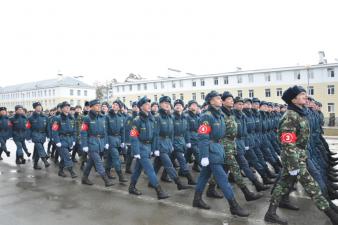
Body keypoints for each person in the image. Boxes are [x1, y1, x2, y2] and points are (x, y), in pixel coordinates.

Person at [264, 85, 338, 225]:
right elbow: (288, 143)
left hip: (300, 155)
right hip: (294, 157)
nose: (305, 96)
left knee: (283, 184)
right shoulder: (290, 116)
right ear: (293, 99)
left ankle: (270, 213)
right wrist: (293, 164)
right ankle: (331, 215)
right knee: (312, 186)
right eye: (302, 94)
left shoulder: (299, 113)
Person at [192, 91, 249, 217]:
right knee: (223, 178)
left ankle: (196, 199)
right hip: (210, 149)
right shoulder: (206, 116)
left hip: (218, 147)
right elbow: (203, 137)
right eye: (217, 98)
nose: (219, 100)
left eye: (219, 98)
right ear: (211, 101)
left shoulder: (220, 115)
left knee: (204, 176)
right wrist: (204, 156)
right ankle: (233, 206)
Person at [128, 96, 169, 200]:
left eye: (149, 104)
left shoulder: (152, 119)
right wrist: (136, 151)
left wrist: (155, 148)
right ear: (141, 107)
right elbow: (133, 136)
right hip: (141, 147)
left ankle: (131, 187)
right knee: (150, 169)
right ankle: (159, 191)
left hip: (148, 146)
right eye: (146, 104)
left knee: (137, 169)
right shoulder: (137, 120)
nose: (149, 106)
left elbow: (155, 135)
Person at [80, 99, 113, 187]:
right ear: (91, 107)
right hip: (92, 142)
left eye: (99, 105)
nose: (99, 106)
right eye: (97, 105)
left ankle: (84, 178)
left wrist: (106, 142)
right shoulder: (87, 118)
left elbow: (105, 131)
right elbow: (83, 132)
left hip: (100, 142)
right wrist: (85, 145)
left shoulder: (102, 117)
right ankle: (106, 180)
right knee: (98, 161)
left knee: (91, 162)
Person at [51, 101, 77, 178]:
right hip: (61, 140)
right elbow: (54, 130)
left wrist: (74, 140)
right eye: (66, 107)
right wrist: (57, 141)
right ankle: (72, 171)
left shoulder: (71, 118)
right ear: (62, 109)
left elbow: (74, 130)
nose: (68, 108)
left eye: (68, 107)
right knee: (67, 156)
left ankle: (60, 171)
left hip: (69, 140)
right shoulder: (57, 118)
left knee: (64, 157)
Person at [26, 102, 50, 170]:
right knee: (39, 146)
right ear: (34, 108)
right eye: (37, 106)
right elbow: (28, 128)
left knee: (37, 150)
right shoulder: (30, 118)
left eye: (40, 106)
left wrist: (48, 136)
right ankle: (45, 160)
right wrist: (28, 137)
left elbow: (48, 127)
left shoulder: (45, 117)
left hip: (43, 135)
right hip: (35, 134)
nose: (39, 107)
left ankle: (35, 164)